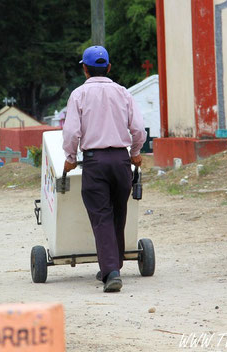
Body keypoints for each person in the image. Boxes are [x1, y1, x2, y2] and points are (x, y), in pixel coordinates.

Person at [62, 45, 147, 293]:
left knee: (101, 216)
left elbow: (71, 132)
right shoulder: (123, 93)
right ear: (109, 67)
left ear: (85, 70)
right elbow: (138, 129)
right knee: (118, 214)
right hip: (121, 161)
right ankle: (112, 266)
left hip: (95, 162)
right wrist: (135, 153)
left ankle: (111, 271)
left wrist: (70, 157)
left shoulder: (78, 95)